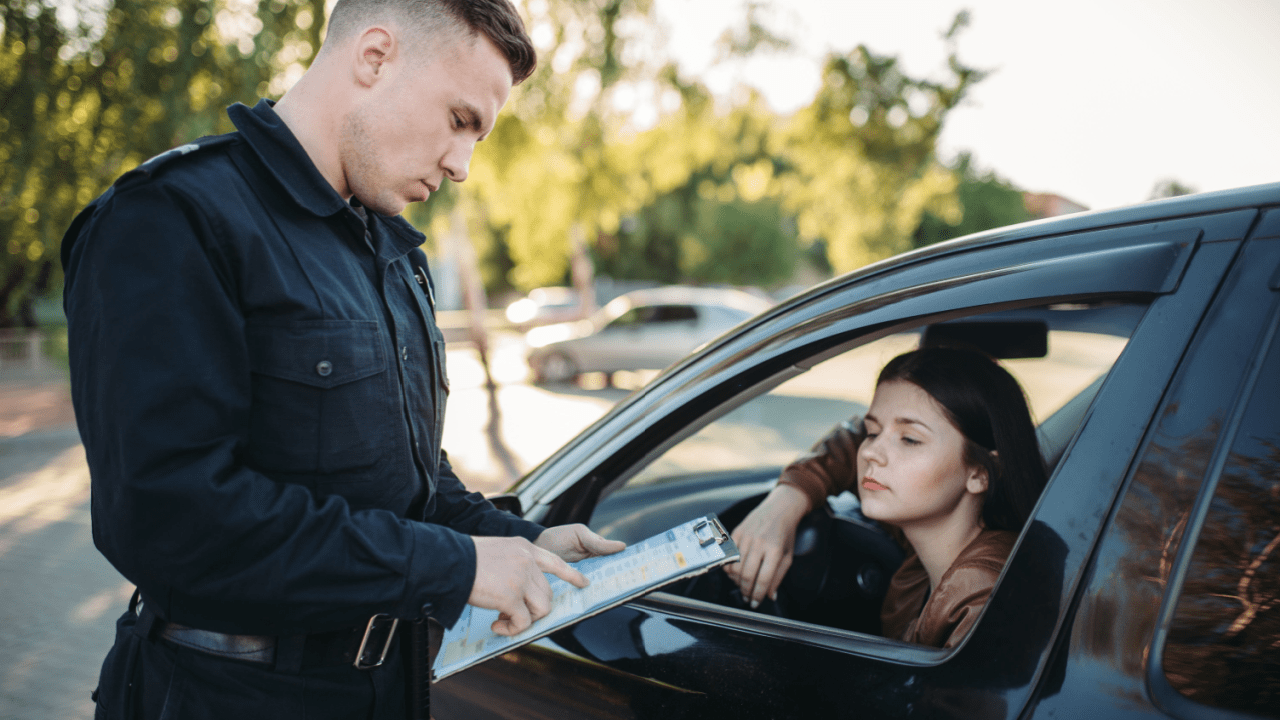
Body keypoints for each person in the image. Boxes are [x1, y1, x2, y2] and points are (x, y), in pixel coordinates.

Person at [60, 1, 623, 718]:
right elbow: (174, 519)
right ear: (374, 56)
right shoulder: (174, 220)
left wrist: (518, 541)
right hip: (225, 696)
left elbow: (399, 479)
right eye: (460, 120)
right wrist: (456, 566)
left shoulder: (389, 249)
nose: (462, 166)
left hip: (385, 691)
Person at [725, 346, 1048, 648]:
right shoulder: (934, 536)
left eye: (909, 439)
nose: (871, 453)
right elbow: (850, 440)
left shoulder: (984, 598)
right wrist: (786, 501)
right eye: (874, 432)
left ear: (980, 473)